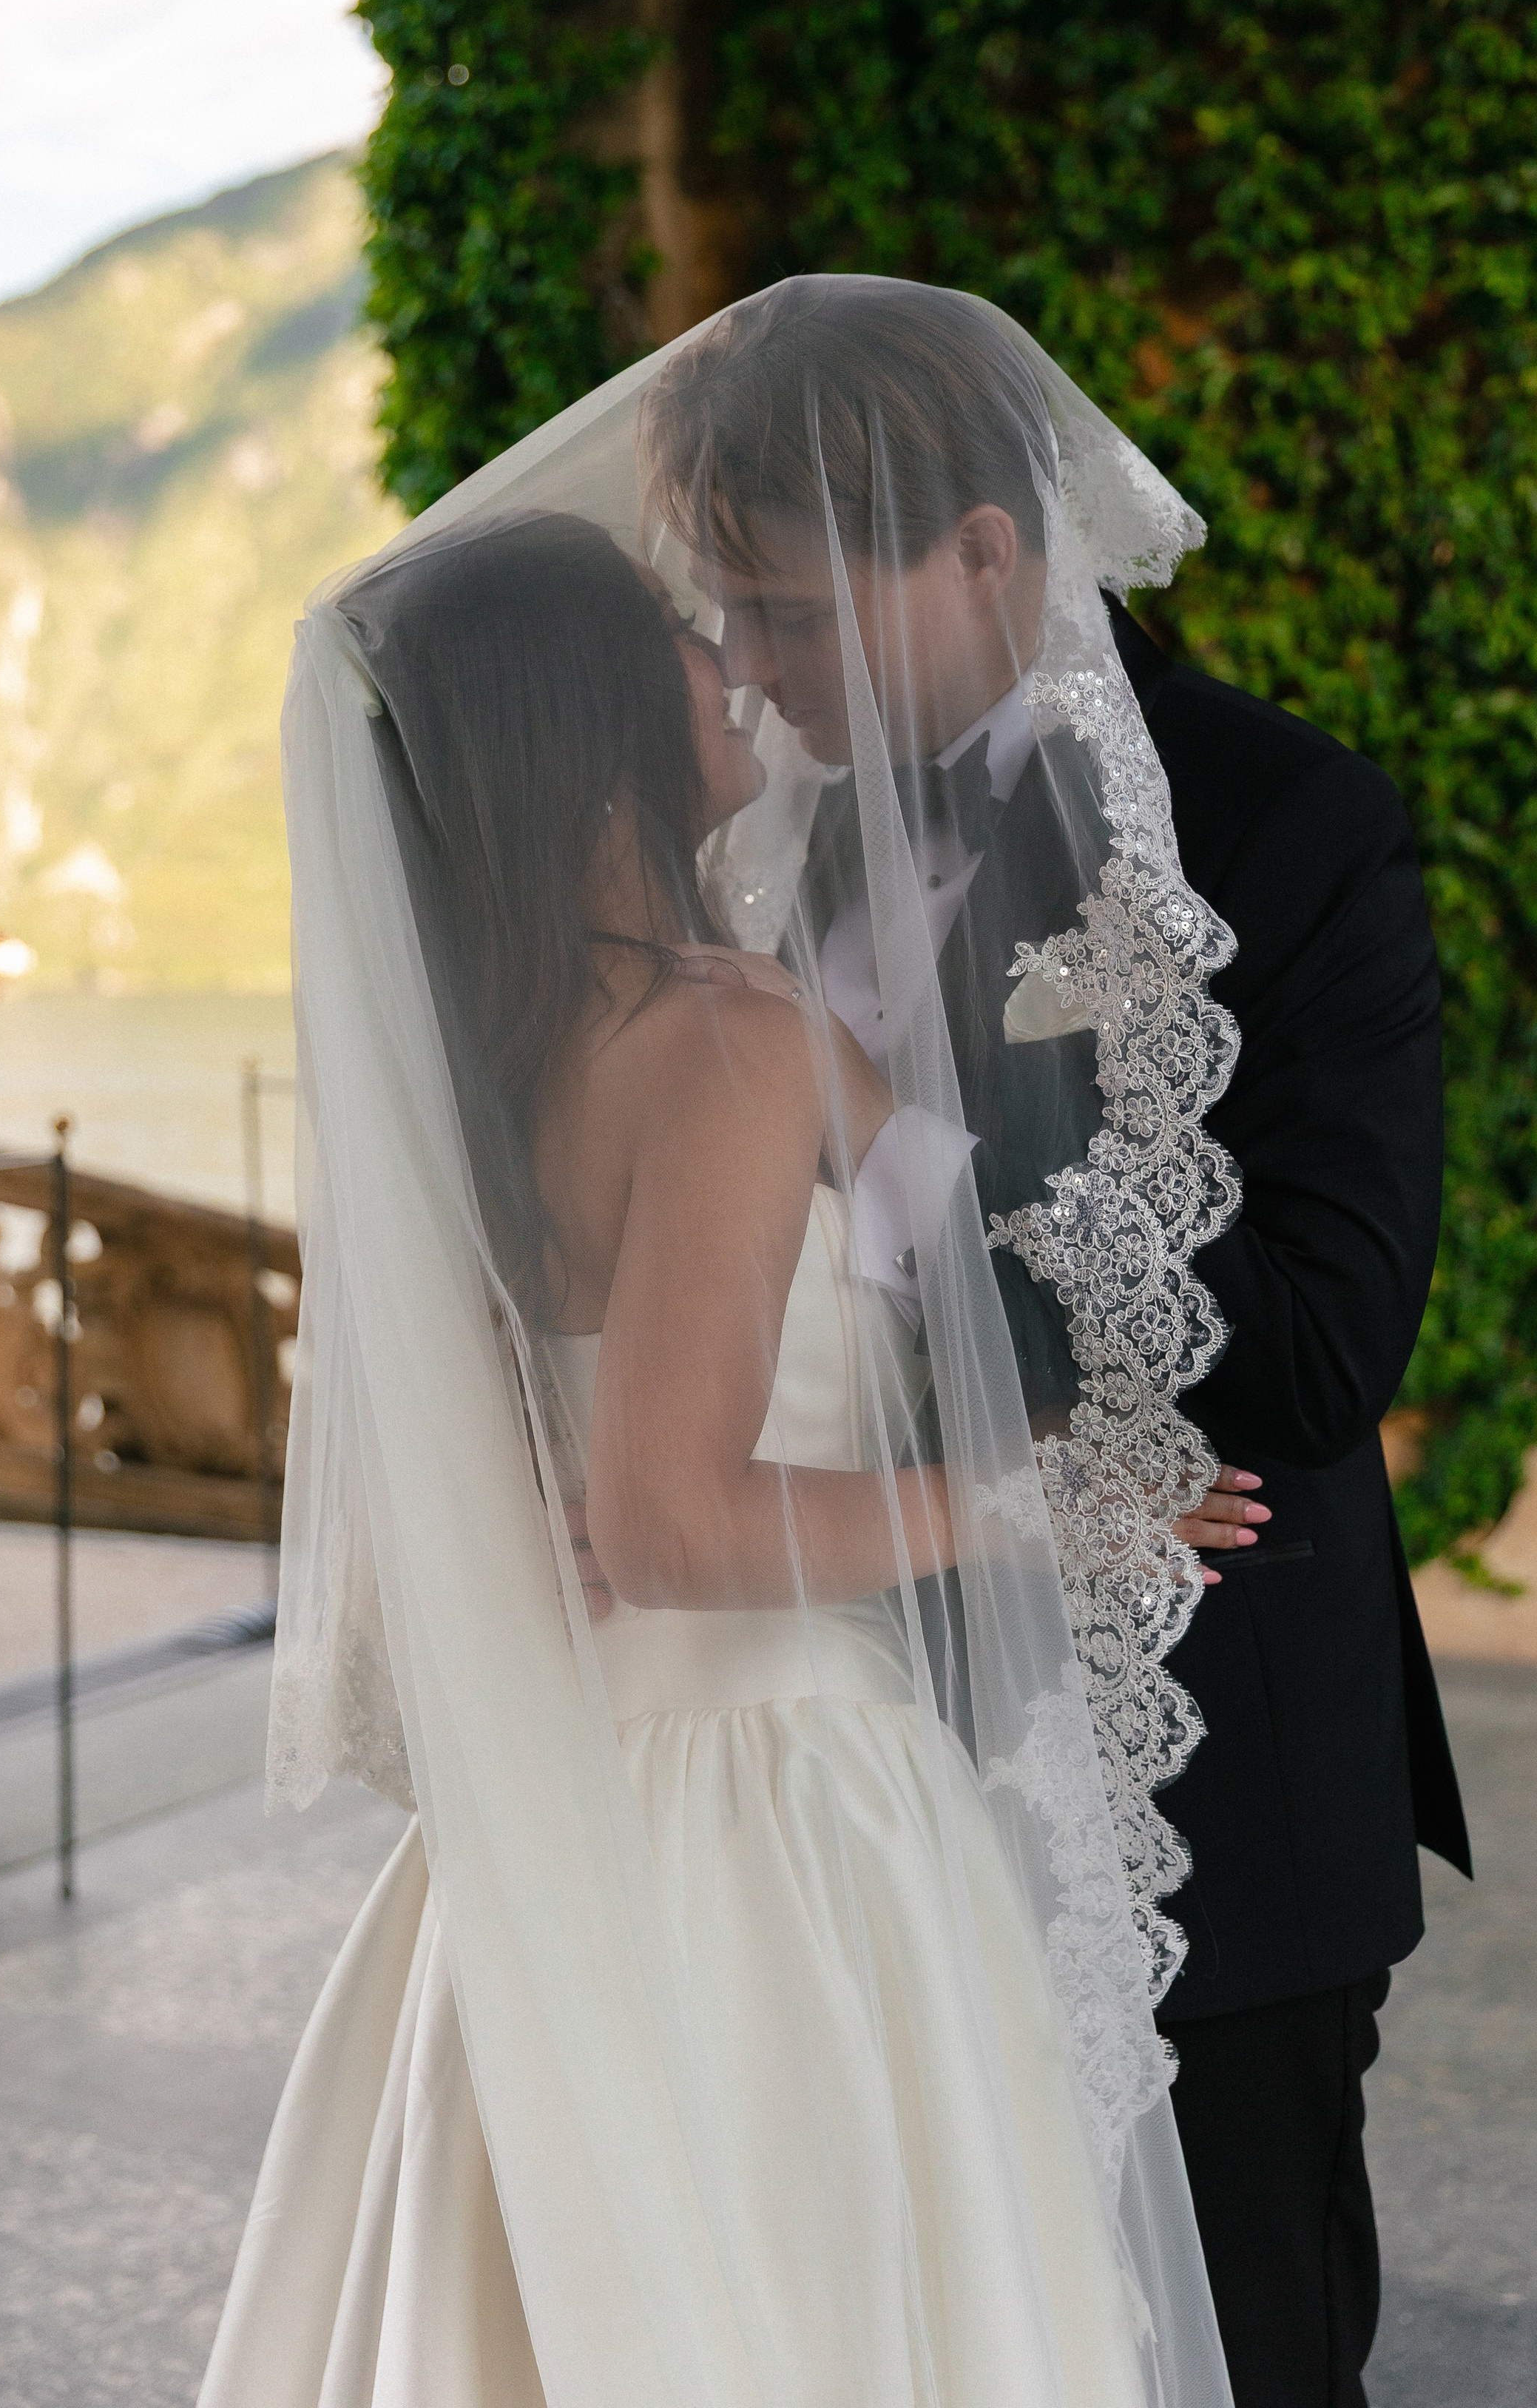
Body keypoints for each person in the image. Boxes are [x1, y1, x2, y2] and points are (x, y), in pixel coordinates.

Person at [200, 456, 1235, 2405]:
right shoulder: (723, 1040)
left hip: (565, 1807)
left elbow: (953, 1227)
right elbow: (670, 1522)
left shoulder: (500, 1055)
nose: (737, 670)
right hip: (760, 1817)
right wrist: (1038, 1503)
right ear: (591, 723)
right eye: (687, 641)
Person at [644, 274, 1472, 2408]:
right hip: (873, 1779)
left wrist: (890, 1147)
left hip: (1215, 1783)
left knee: (1244, 2356)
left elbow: (1311, 1353)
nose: (751, 672)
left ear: (990, 555)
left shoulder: (1286, 831)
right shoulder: (796, 846)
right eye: (724, 619)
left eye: (793, 614)